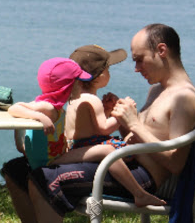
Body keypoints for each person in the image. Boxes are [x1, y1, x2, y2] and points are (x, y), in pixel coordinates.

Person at [3, 24, 195, 223]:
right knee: (17, 170)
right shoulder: (158, 91)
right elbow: (138, 137)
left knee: (46, 178)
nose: (136, 68)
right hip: (124, 163)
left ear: (161, 51)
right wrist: (122, 121)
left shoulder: (185, 99)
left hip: (142, 178)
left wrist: (135, 124)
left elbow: (176, 162)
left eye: (139, 59)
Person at [53, 45, 166, 207]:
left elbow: (89, 126)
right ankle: (138, 192)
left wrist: (106, 111)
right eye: (108, 70)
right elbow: (103, 129)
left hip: (77, 146)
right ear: (98, 77)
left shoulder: (75, 98)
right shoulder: (91, 99)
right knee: (113, 152)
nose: (109, 74)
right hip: (91, 145)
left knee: (113, 150)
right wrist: (123, 113)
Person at [8, 57, 92, 168]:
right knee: (103, 151)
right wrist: (40, 117)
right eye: (79, 82)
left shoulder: (56, 107)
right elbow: (14, 109)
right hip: (48, 164)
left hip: (53, 158)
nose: (82, 85)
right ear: (67, 87)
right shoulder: (47, 107)